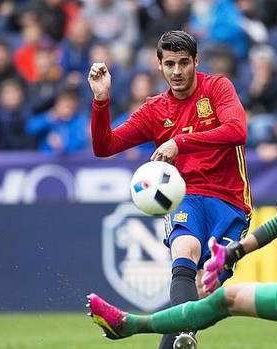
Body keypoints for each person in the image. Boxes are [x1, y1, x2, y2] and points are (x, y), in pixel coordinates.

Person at [87, 62, 277, 349]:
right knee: (193, 267)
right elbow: (105, 145)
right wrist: (101, 101)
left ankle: (130, 325)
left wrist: (235, 251)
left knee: (224, 299)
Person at [87, 30, 252, 349]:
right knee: (184, 250)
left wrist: (179, 142)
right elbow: (104, 146)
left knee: (205, 290)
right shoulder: (154, 110)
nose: (177, 72)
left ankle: (181, 332)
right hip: (185, 196)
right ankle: (183, 335)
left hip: (230, 202)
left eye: (184, 63)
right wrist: (101, 100)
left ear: (196, 62)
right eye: (170, 64)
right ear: (159, 65)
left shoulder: (217, 88)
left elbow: (237, 130)